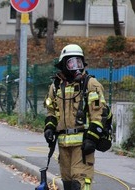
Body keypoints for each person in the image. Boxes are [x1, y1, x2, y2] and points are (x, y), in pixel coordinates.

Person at [43, 44, 112, 190]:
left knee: (78, 184)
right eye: (71, 63)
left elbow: (99, 115)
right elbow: (51, 112)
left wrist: (91, 139)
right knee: (67, 184)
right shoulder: (55, 87)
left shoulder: (90, 84)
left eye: (79, 62)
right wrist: (49, 128)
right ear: (63, 65)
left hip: (82, 146)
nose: (76, 67)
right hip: (63, 146)